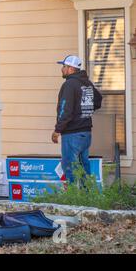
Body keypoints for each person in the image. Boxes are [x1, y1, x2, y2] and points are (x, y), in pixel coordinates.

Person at [51, 55, 102, 183]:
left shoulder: (69, 84)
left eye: (64, 66)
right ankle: (86, 197)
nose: (62, 69)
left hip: (72, 133)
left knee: (69, 168)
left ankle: (73, 197)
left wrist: (57, 130)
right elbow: (98, 101)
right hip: (86, 133)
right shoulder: (87, 83)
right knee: (83, 168)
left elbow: (65, 109)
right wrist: (84, 110)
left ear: (71, 68)